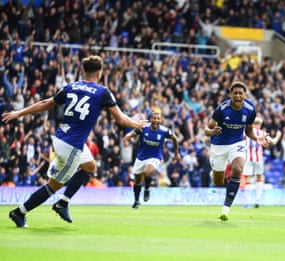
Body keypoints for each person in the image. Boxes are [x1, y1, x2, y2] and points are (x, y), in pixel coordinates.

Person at [2, 55, 146, 227]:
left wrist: (19, 113)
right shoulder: (102, 92)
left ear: (83, 71)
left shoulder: (71, 86)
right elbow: (121, 119)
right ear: (100, 73)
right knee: (54, 185)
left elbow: (47, 102)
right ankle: (20, 212)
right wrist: (137, 124)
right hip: (72, 146)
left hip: (63, 138)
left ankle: (63, 202)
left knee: (91, 167)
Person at [205, 81, 269, 221]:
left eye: (241, 93)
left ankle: (226, 208)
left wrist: (256, 139)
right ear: (230, 94)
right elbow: (207, 130)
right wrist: (212, 132)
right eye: (235, 93)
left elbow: (249, 130)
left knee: (238, 168)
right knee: (218, 181)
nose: (238, 96)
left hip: (238, 143)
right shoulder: (222, 109)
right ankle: (214, 173)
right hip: (219, 145)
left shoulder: (250, 110)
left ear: (245, 95)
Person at [123, 107, 181, 209]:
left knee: (147, 172)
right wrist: (128, 136)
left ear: (161, 120)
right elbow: (134, 132)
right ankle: (136, 201)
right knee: (137, 181)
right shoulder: (144, 127)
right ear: (151, 119)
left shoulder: (164, 131)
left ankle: (147, 188)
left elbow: (175, 139)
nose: (156, 120)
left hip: (155, 157)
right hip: (141, 157)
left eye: (158, 119)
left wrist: (176, 153)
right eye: (154, 118)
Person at [243, 116, 282, 208]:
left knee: (248, 180)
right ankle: (258, 200)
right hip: (258, 158)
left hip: (248, 158)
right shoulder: (263, 133)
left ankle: (247, 202)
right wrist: (278, 136)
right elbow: (273, 142)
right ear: (260, 125)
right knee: (259, 178)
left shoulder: (246, 133)